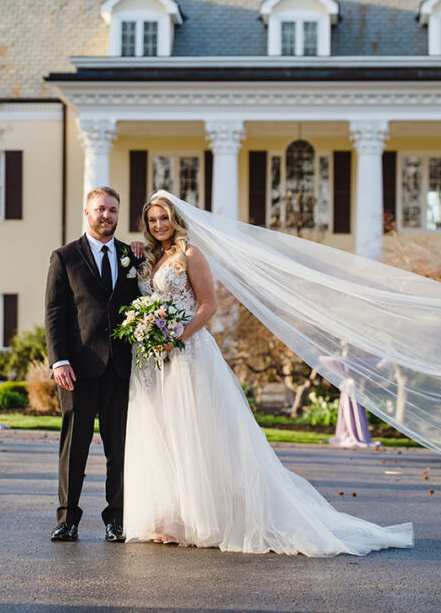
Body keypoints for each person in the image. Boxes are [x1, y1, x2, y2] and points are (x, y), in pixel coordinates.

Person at [123, 194, 412, 555]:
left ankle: (204, 518)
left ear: (175, 219)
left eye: (163, 218)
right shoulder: (149, 258)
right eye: (152, 220)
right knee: (163, 434)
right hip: (151, 360)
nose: (158, 225)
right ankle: (169, 518)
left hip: (187, 354)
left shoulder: (191, 256)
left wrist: (177, 336)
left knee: (196, 435)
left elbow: (208, 304)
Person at [45, 186, 141, 543]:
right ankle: (67, 518)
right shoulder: (65, 257)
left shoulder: (130, 256)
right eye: (100, 209)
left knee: (120, 448)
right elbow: (55, 314)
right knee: (75, 448)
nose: (107, 215)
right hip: (78, 369)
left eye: (113, 210)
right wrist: (59, 360)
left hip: (120, 369)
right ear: (87, 213)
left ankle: (115, 519)